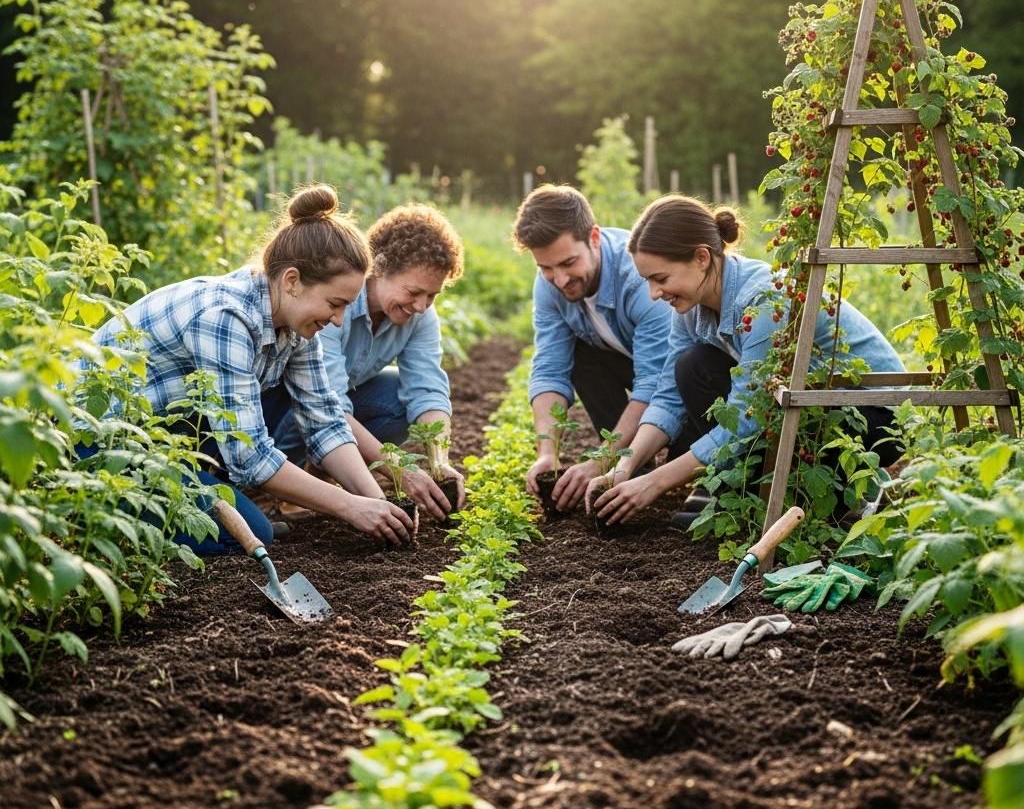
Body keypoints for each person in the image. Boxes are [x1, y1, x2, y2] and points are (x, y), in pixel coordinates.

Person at [89, 185, 415, 552]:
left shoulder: (296, 325)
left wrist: (379, 506)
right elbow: (250, 457)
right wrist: (349, 507)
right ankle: (99, 515)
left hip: (163, 438)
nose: (339, 320)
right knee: (244, 534)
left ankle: (198, 489)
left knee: (248, 520)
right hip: (101, 444)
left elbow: (325, 423)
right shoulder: (226, 318)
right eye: (334, 304)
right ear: (292, 281)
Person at [588, 195, 906, 527]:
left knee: (720, 385)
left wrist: (655, 482)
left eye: (661, 279)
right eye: (648, 281)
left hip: (873, 417)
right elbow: (668, 396)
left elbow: (746, 417)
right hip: (815, 404)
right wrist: (624, 466)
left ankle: (854, 487)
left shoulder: (763, 301)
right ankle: (750, 496)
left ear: (701, 258)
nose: (654, 293)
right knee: (692, 366)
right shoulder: (689, 309)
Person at [274, 203, 466, 521]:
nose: (421, 306)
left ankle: (323, 473)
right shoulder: (334, 303)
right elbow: (326, 403)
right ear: (379, 267)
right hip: (288, 407)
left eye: (432, 295)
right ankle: (278, 483)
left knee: (398, 399)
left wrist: (439, 460)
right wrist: (398, 470)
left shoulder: (420, 317)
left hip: (331, 409)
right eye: (414, 291)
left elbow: (428, 389)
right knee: (310, 401)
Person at [512, 185, 675, 512]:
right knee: (579, 355)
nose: (559, 279)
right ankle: (632, 466)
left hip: (682, 379)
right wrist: (547, 454)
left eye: (568, 262)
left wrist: (601, 459)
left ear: (595, 238)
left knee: (688, 440)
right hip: (632, 364)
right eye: (546, 268)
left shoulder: (639, 280)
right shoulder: (550, 285)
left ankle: (639, 459)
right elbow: (550, 369)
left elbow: (656, 382)